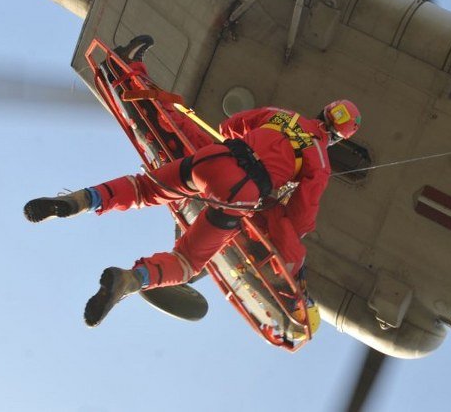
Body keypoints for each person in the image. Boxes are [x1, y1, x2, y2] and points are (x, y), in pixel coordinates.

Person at [24, 39, 361, 329]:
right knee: (187, 262)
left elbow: (231, 126)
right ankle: (130, 280)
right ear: (338, 138)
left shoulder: (281, 115)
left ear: (322, 111)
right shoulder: (319, 160)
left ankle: (79, 201)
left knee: (144, 188)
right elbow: (301, 217)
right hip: (242, 194)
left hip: (215, 159)